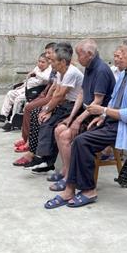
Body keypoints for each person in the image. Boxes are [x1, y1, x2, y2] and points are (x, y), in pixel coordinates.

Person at [44, 39, 127, 209]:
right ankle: (70, 187)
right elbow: (114, 100)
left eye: (122, 53)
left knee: (82, 141)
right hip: (112, 120)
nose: (119, 57)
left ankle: (86, 190)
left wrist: (102, 111)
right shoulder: (124, 74)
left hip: (125, 127)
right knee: (77, 138)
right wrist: (102, 116)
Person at [48, 39, 115, 190]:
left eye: (79, 55)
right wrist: (71, 118)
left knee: (65, 136)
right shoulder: (89, 67)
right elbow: (82, 94)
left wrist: (78, 121)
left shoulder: (101, 70)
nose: (77, 59)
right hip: (87, 113)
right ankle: (66, 170)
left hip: (99, 118)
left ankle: (69, 177)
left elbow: (97, 102)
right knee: (59, 129)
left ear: (89, 54)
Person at [24, 43, 84, 173]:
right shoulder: (60, 71)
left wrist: (47, 110)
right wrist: (48, 110)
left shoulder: (71, 72)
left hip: (73, 106)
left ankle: (47, 161)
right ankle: (43, 158)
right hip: (64, 104)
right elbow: (56, 92)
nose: (50, 63)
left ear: (62, 62)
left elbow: (60, 95)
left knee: (51, 124)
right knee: (44, 119)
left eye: (52, 60)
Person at [13, 42, 57, 157]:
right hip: (47, 91)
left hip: (54, 96)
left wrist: (46, 101)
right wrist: (43, 94)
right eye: (46, 52)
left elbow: (57, 88)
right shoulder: (53, 65)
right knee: (28, 106)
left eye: (49, 52)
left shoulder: (57, 66)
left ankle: (29, 142)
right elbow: (52, 84)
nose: (46, 55)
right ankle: (25, 138)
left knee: (30, 108)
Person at [0, 53, 51, 131]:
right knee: (10, 93)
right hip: (26, 87)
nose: (40, 64)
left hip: (35, 91)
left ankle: (12, 121)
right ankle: (3, 115)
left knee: (18, 99)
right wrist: (24, 83)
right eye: (39, 61)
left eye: (43, 62)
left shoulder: (49, 71)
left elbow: (47, 78)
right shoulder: (37, 68)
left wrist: (36, 73)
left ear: (48, 63)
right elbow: (30, 77)